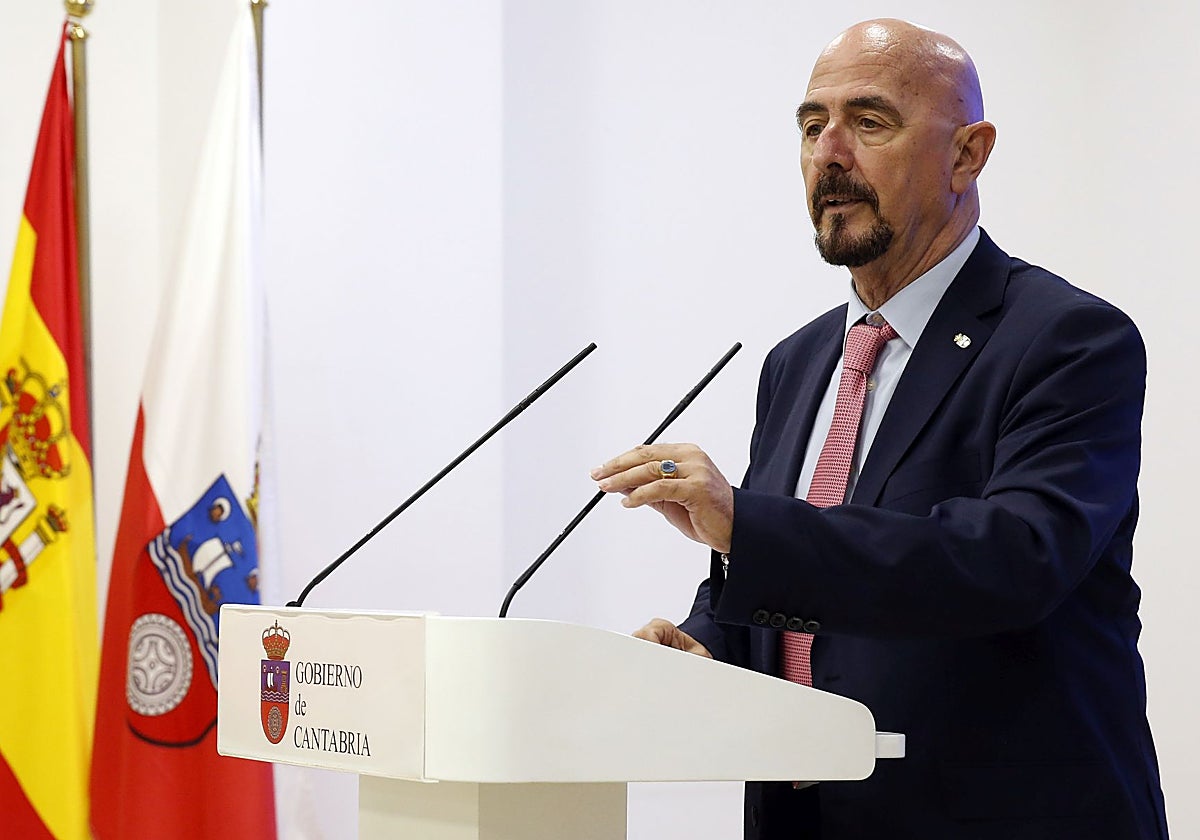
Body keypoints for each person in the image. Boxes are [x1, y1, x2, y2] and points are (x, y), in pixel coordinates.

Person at [591, 18, 1168, 840]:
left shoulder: (1067, 339)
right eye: (810, 125)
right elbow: (778, 578)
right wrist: (708, 648)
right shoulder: (798, 362)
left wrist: (747, 525)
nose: (829, 153)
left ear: (966, 154)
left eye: (869, 123)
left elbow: (1010, 559)